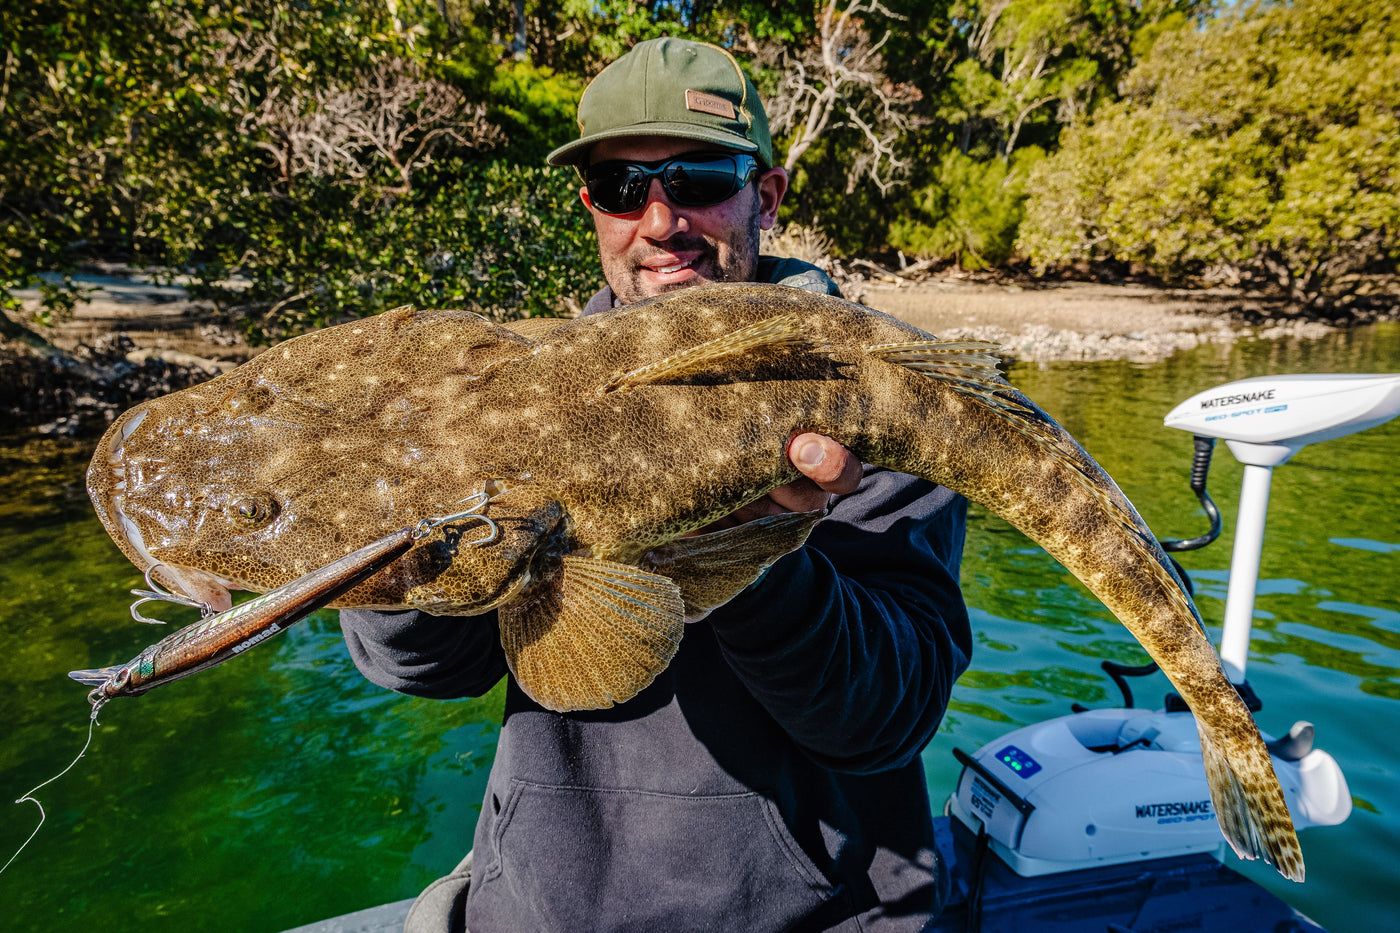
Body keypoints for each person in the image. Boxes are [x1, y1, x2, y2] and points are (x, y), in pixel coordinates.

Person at [338, 36, 972, 933]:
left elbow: (884, 719)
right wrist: (396, 532)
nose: (662, 220)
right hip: (540, 905)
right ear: (592, 208)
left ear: (767, 195)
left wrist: (749, 554)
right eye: (623, 189)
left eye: (701, 179)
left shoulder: (870, 394)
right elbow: (425, 665)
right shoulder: (513, 397)